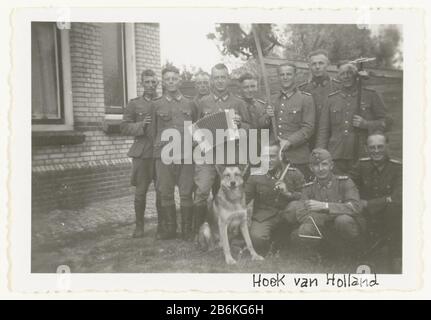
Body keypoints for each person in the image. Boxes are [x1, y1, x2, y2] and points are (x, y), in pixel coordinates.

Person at [192, 63, 252, 239]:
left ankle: (227, 231)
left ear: (229, 79)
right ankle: (200, 231)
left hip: (229, 156)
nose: (220, 81)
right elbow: (195, 129)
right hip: (208, 155)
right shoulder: (202, 102)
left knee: (227, 193)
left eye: (223, 77)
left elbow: (250, 128)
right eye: (216, 77)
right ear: (212, 80)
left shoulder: (238, 103)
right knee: (202, 191)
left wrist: (242, 124)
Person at [285, 148, 364, 257]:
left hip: (344, 227)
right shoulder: (308, 188)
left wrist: (324, 207)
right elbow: (301, 213)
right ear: (311, 168)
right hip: (323, 228)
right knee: (303, 231)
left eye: (324, 164)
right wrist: (334, 213)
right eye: (316, 165)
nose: (321, 169)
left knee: (343, 220)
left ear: (331, 166)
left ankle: (355, 252)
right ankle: (324, 252)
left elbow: (355, 207)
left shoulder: (345, 182)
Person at [316, 61, 390, 174]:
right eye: (342, 74)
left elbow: (387, 122)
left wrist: (366, 124)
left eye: (349, 73)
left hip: (362, 153)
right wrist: (320, 154)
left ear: (356, 75)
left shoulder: (370, 95)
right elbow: (323, 130)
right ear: (338, 77)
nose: (346, 77)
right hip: (336, 154)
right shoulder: (331, 99)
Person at [151, 65, 197, 240]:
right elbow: (153, 132)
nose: (171, 82)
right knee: (166, 191)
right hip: (164, 154)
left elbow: (197, 128)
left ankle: (187, 230)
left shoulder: (190, 103)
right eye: (167, 79)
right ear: (163, 82)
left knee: (186, 192)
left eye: (174, 78)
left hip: (185, 153)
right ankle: (170, 229)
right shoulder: (156, 105)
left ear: (180, 80)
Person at [349, 132, 402, 272]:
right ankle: (362, 255)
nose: (376, 151)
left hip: (391, 213)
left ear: (387, 146)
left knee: (395, 209)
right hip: (365, 213)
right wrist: (356, 200)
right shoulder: (362, 165)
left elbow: (399, 196)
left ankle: (396, 257)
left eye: (380, 146)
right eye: (372, 147)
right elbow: (349, 186)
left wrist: (369, 204)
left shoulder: (398, 167)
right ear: (366, 148)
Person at [121, 69, 161, 238]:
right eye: (147, 82)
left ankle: (163, 225)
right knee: (140, 192)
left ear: (157, 84)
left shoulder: (162, 102)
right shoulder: (134, 104)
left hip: (160, 153)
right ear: (142, 84)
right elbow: (124, 127)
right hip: (142, 154)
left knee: (162, 191)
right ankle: (139, 226)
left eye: (153, 82)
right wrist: (141, 125)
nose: (150, 85)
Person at [245, 142, 305, 255]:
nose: (268, 160)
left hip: (286, 215)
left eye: (272, 156)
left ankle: (283, 236)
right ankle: (274, 241)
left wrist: (289, 194)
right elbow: (244, 199)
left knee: (295, 207)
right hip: (264, 216)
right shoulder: (255, 175)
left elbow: (306, 197)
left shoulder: (294, 173)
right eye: (265, 157)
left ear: (280, 156)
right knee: (257, 239)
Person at [264, 62, 315, 181]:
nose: (285, 77)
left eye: (288, 74)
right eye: (282, 74)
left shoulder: (305, 98)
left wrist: (290, 142)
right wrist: (267, 116)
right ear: (278, 77)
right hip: (274, 157)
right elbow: (262, 125)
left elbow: (309, 127)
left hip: (297, 156)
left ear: (295, 76)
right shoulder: (272, 99)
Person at [298, 49, 340, 150]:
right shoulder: (302, 90)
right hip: (309, 140)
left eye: (321, 63)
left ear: (328, 65)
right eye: (313, 64)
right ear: (309, 66)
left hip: (334, 139)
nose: (317, 67)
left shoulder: (338, 87)